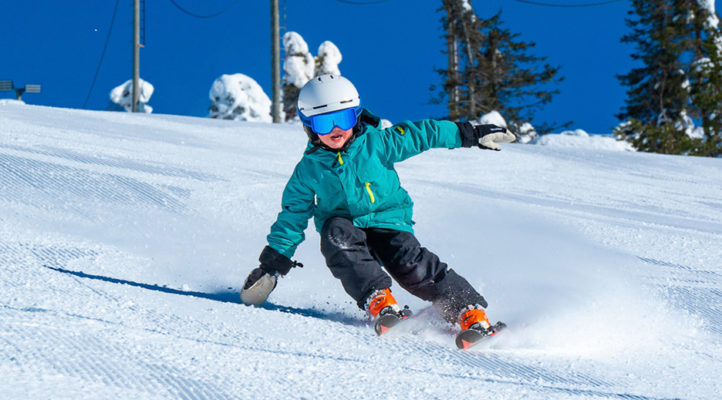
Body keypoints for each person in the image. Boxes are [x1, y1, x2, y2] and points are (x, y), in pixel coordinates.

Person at [241, 74, 514, 336]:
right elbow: (293, 215)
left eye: (343, 118)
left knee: (410, 263)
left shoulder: (379, 143)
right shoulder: (308, 170)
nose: (336, 130)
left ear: (356, 116)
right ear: (309, 126)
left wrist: (469, 133)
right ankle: (379, 300)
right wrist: (272, 265)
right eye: (325, 123)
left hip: (388, 220)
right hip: (344, 226)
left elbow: (423, 134)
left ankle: (469, 312)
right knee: (336, 236)